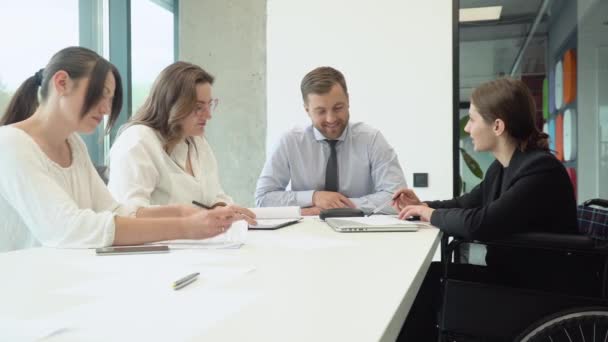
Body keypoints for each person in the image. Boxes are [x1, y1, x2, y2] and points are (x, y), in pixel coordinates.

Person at [0, 47, 255, 253]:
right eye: (101, 95)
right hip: (24, 294)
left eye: (110, 98)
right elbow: (66, 228)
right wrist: (184, 226)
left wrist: (180, 211)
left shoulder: (73, 145)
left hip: (64, 280)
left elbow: (113, 211)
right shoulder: (11, 144)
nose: (107, 109)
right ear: (62, 82)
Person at [392, 77, 578, 340]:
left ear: (498, 126)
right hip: (510, 277)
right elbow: (465, 204)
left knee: (427, 290)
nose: (467, 128)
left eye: (473, 119)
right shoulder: (503, 167)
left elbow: (481, 223)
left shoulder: (540, 170)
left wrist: (430, 215)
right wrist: (420, 206)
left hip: (537, 288)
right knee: (425, 280)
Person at [255, 66, 407, 215]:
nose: (331, 119)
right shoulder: (290, 142)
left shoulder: (371, 140)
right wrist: (314, 197)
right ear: (307, 110)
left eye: (338, 108)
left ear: (348, 100)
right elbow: (263, 198)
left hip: (361, 231)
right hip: (304, 234)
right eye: (321, 111)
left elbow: (398, 199)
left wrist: (342, 206)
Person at [108, 62, 233, 209]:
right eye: (198, 108)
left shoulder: (197, 141)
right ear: (172, 105)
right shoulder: (137, 141)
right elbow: (129, 213)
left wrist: (221, 207)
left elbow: (215, 194)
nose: (208, 115)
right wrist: (187, 221)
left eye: (209, 105)